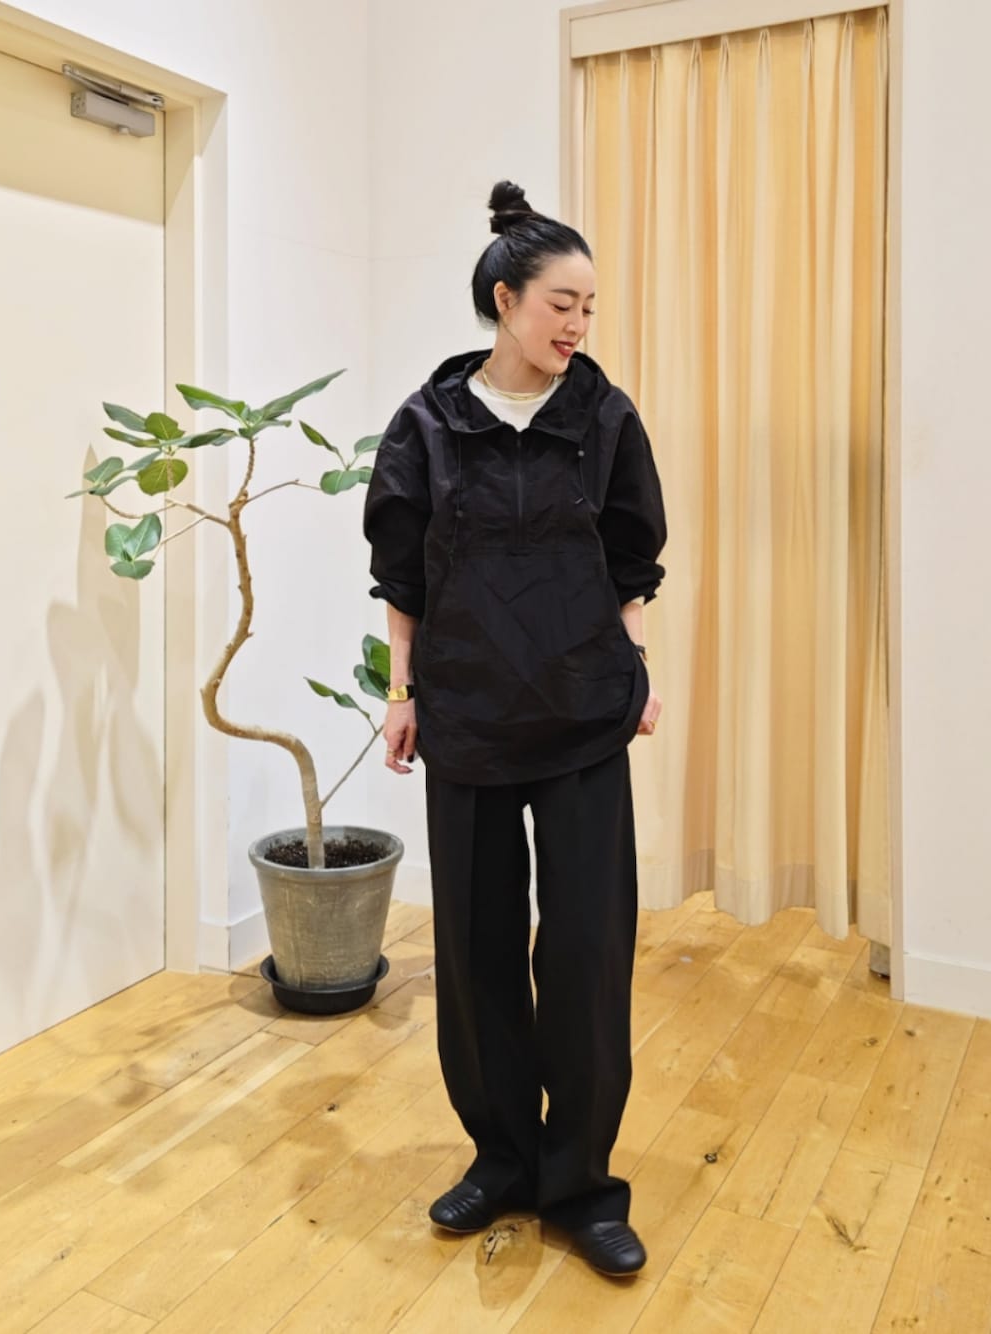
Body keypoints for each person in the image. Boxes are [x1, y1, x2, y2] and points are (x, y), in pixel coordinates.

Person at [363, 181, 666, 1278]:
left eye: (588, 308)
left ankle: (579, 1183)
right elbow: (401, 575)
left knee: (586, 951)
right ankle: (501, 1158)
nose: (577, 325)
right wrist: (402, 693)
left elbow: (632, 560)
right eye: (560, 305)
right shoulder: (428, 425)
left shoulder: (604, 418)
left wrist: (634, 668)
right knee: (477, 949)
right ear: (505, 300)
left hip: (581, 710)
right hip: (469, 712)